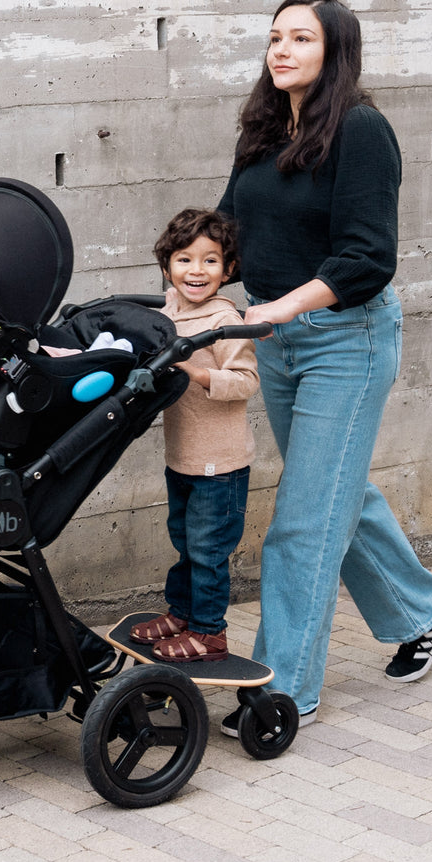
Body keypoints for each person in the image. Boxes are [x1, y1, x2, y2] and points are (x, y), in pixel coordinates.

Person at [215, 0, 432, 731]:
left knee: (303, 519)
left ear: (335, 52)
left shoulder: (361, 130)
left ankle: (281, 688)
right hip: (280, 340)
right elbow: (231, 228)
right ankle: (425, 608)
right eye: (274, 38)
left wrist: (282, 307)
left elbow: (367, 258)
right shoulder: (262, 130)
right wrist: (187, 289)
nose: (282, 50)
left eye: (301, 39)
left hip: (343, 341)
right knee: (334, 496)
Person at [129, 208, 259, 661]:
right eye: (185, 260)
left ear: (228, 270)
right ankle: (181, 614)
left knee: (207, 552)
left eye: (210, 260)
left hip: (219, 465)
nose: (196, 271)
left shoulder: (225, 323)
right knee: (184, 543)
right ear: (168, 267)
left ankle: (209, 633)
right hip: (181, 456)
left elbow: (245, 381)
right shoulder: (171, 311)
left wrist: (194, 371)